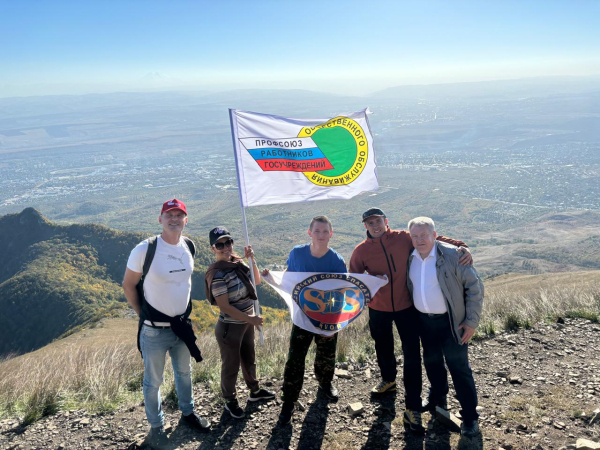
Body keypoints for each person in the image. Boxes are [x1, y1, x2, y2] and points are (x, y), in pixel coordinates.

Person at [349, 207, 471, 434]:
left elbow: (431, 237)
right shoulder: (361, 251)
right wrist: (369, 281)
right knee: (383, 347)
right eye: (369, 223)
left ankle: (412, 407)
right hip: (379, 308)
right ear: (365, 226)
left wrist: (460, 245)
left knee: (412, 356)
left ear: (386, 221)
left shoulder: (403, 238)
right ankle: (388, 380)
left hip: (407, 307)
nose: (375, 226)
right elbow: (355, 280)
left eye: (378, 221)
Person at [122, 199, 210, 449]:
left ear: (186, 219)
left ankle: (188, 413)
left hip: (182, 327)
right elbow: (128, 285)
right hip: (153, 331)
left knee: (184, 373)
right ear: (159, 219)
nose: (174, 218)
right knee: (153, 382)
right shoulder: (145, 249)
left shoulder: (189, 246)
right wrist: (144, 315)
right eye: (168, 214)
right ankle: (156, 429)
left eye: (179, 214)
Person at [265, 215, 347, 426]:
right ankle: (288, 402)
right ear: (310, 233)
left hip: (327, 319)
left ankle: (325, 384)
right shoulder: (297, 253)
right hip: (302, 318)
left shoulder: (336, 261)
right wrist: (271, 279)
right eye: (317, 231)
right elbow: (289, 278)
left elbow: (344, 290)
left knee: (326, 356)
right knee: (295, 360)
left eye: (325, 231)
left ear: (331, 233)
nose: (321, 235)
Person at [407, 216, 483, 437]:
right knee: (432, 363)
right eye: (415, 236)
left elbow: (474, 288)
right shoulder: (410, 257)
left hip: (452, 323)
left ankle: (470, 417)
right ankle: (438, 399)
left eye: (424, 235)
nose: (419, 239)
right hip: (424, 322)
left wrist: (471, 322)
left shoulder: (453, 255)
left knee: (459, 369)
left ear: (434, 234)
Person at [204, 226, 276, 419]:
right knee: (231, 366)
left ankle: (254, 392)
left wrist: (251, 259)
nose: (226, 247)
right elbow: (224, 306)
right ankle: (230, 401)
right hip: (230, 327)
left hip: (245, 322)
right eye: (220, 244)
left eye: (228, 242)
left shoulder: (237, 262)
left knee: (248, 358)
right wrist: (251, 319)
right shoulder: (217, 274)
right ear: (213, 249)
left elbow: (256, 281)